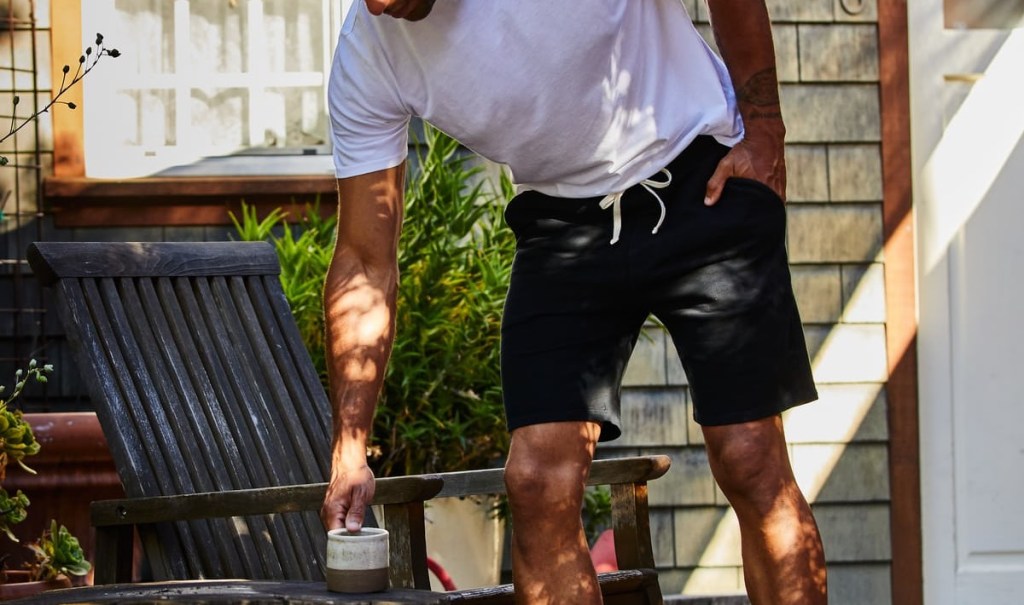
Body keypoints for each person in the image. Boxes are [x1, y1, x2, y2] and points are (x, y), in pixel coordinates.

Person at [319, 1, 828, 603]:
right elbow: (364, 263)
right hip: (562, 221)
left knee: (748, 454)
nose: (380, 5)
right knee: (536, 483)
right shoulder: (367, 56)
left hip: (697, 173)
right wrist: (350, 446)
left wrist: (764, 125)